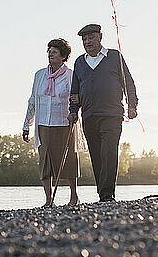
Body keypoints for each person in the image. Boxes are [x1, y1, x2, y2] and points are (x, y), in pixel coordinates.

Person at [68, 24, 138, 202]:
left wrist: (132, 105)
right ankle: (103, 194)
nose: (87, 42)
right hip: (89, 116)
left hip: (112, 114)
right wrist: (73, 111)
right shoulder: (79, 62)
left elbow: (128, 82)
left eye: (91, 38)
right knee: (96, 156)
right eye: (84, 39)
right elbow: (74, 91)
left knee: (109, 153)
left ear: (100, 36)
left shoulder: (114, 56)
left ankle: (107, 195)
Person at [23, 38, 84, 207]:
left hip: (64, 123)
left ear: (63, 56)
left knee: (68, 160)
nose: (50, 53)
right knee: (45, 162)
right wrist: (26, 125)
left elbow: (75, 98)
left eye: (55, 51)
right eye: (49, 50)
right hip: (43, 124)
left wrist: (74, 113)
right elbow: (32, 101)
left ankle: (74, 197)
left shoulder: (71, 75)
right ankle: (49, 200)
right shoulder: (39, 75)